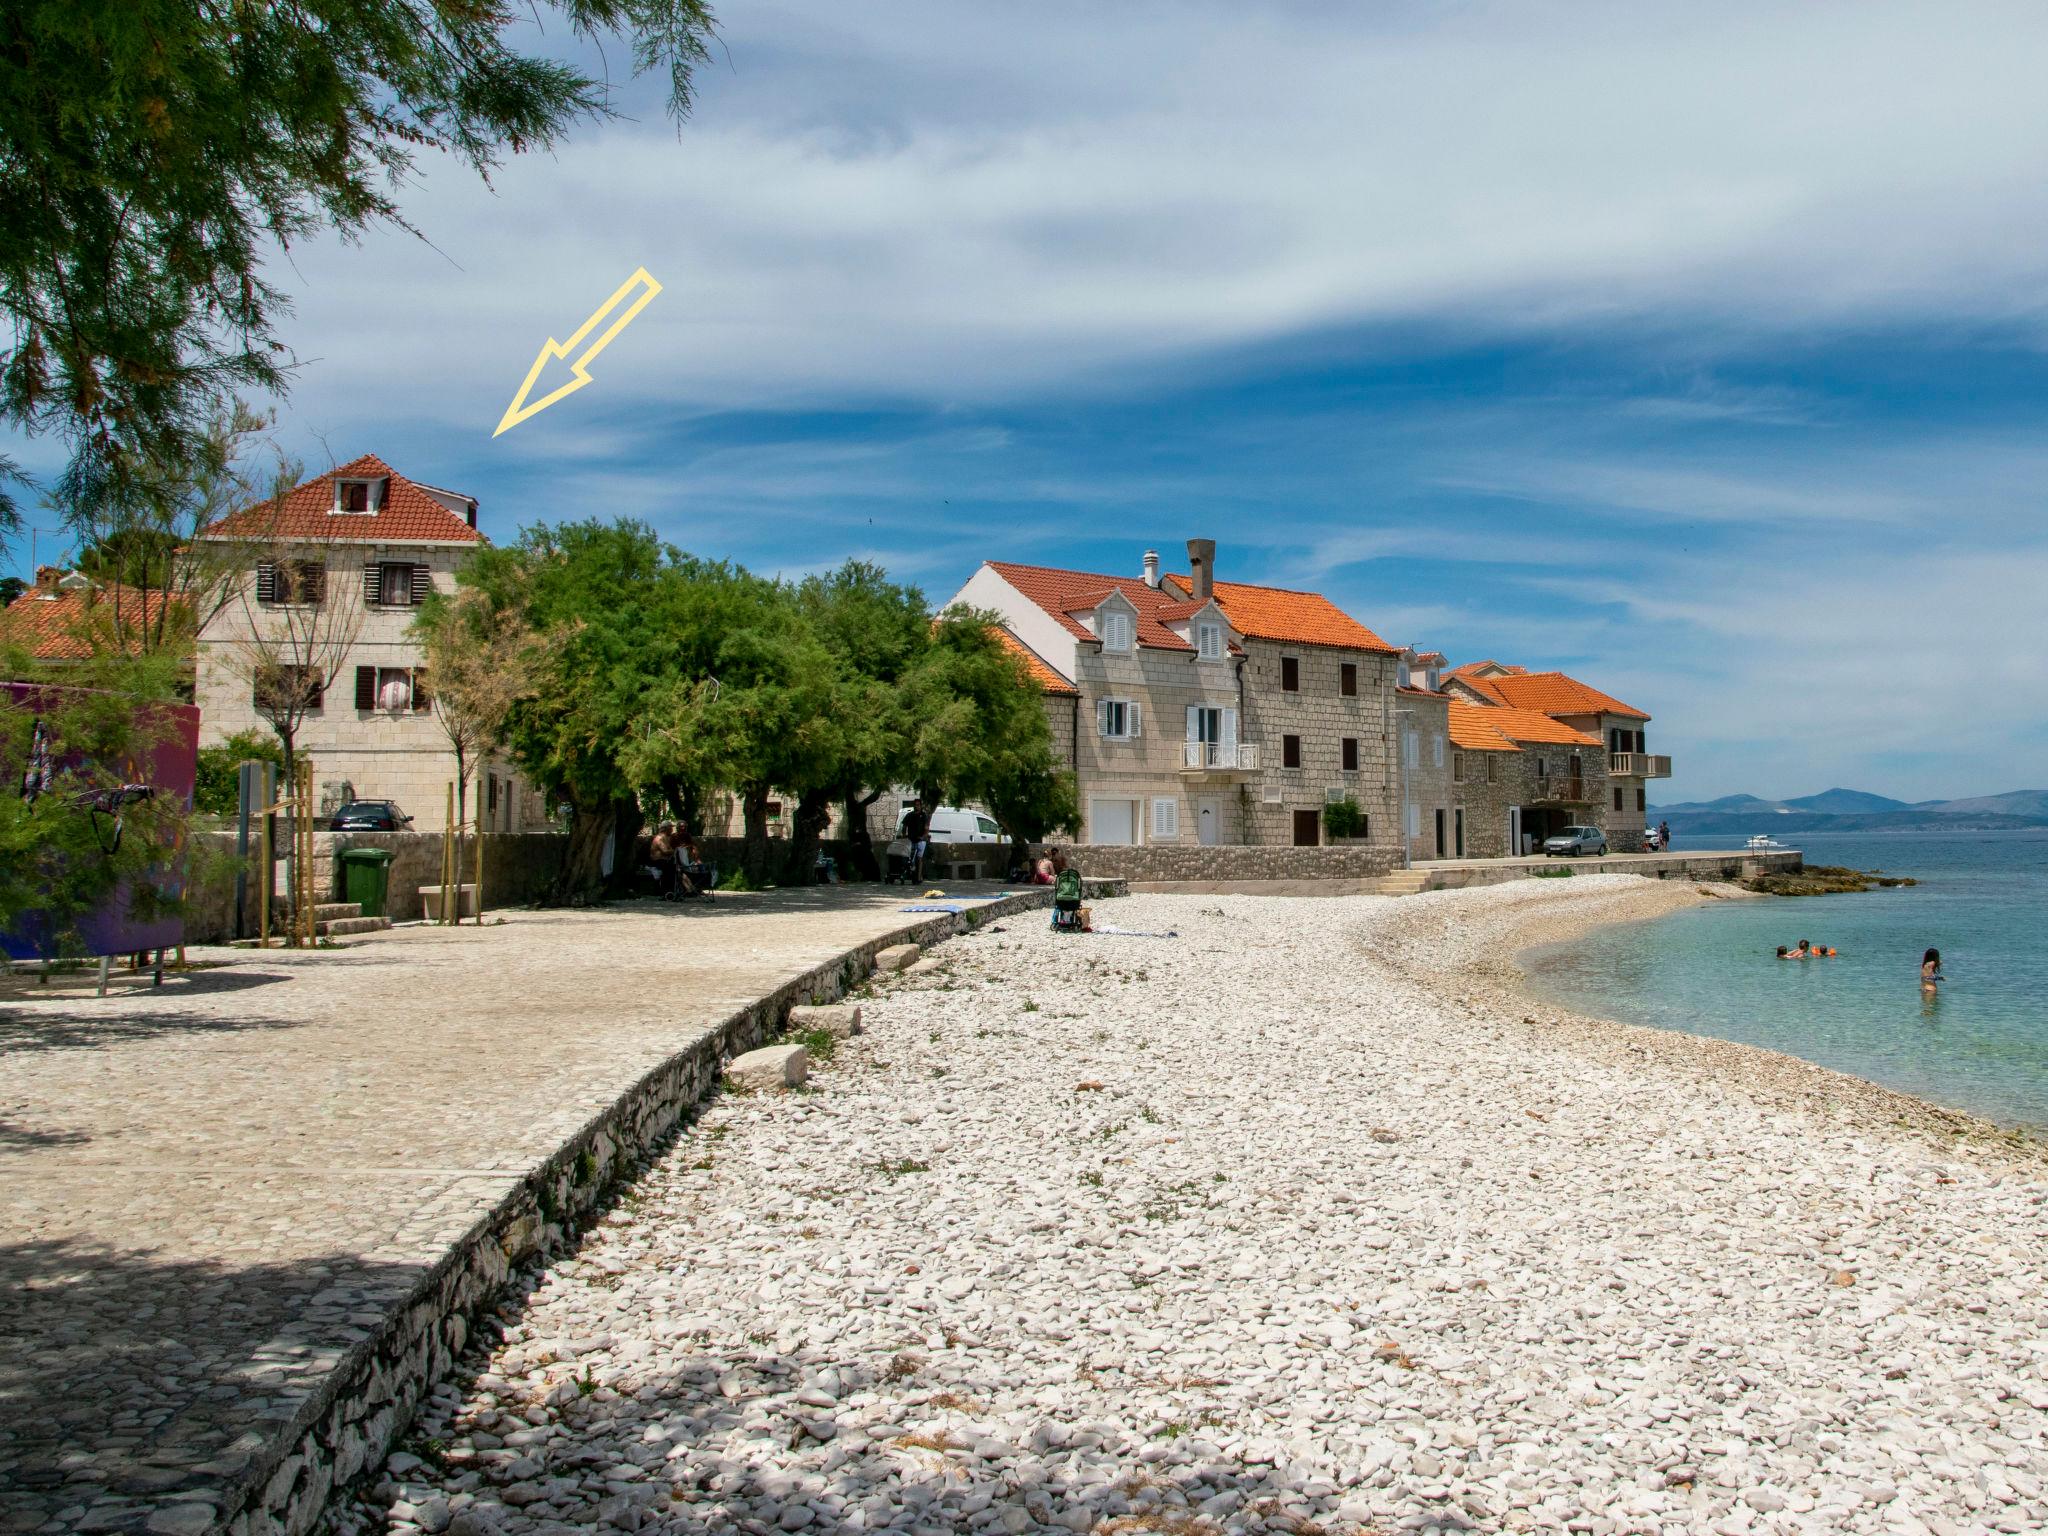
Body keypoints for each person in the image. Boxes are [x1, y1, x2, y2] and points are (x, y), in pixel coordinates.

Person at [1050, 849, 1084, 931]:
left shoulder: (1060, 874)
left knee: (1058, 908)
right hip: (1074, 900)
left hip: (1061, 900)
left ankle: (1055, 922)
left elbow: (1056, 885)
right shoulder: (1062, 860)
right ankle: (1074, 921)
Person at [904, 801, 932, 883]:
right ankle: (909, 873)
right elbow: (904, 826)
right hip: (910, 840)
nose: (917, 806)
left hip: (920, 840)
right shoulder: (909, 815)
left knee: (919, 858)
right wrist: (903, 835)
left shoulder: (924, 816)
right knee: (909, 857)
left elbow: (926, 828)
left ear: (920, 806)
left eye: (918, 805)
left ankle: (919, 877)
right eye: (915, 805)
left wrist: (923, 837)